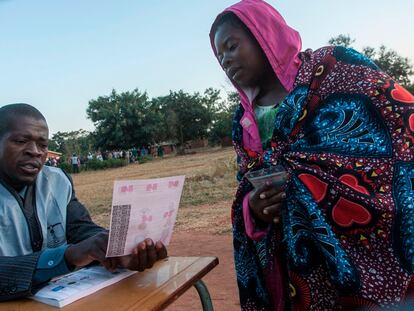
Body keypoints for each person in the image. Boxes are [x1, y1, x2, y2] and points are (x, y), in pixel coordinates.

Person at [210, 0, 414, 310]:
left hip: (354, 238)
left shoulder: (331, 68)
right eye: (220, 55)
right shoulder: (243, 121)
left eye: (232, 45)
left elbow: (397, 119)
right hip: (284, 260)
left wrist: (310, 185)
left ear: (264, 34)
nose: (226, 59)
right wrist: (254, 208)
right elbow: (246, 183)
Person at [0, 103, 168, 301]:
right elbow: (73, 252)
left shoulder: (57, 181)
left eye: (43, 145)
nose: (35, 151)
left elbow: (80, 229)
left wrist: (114, 250)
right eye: (21, 141)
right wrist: (67, 256)